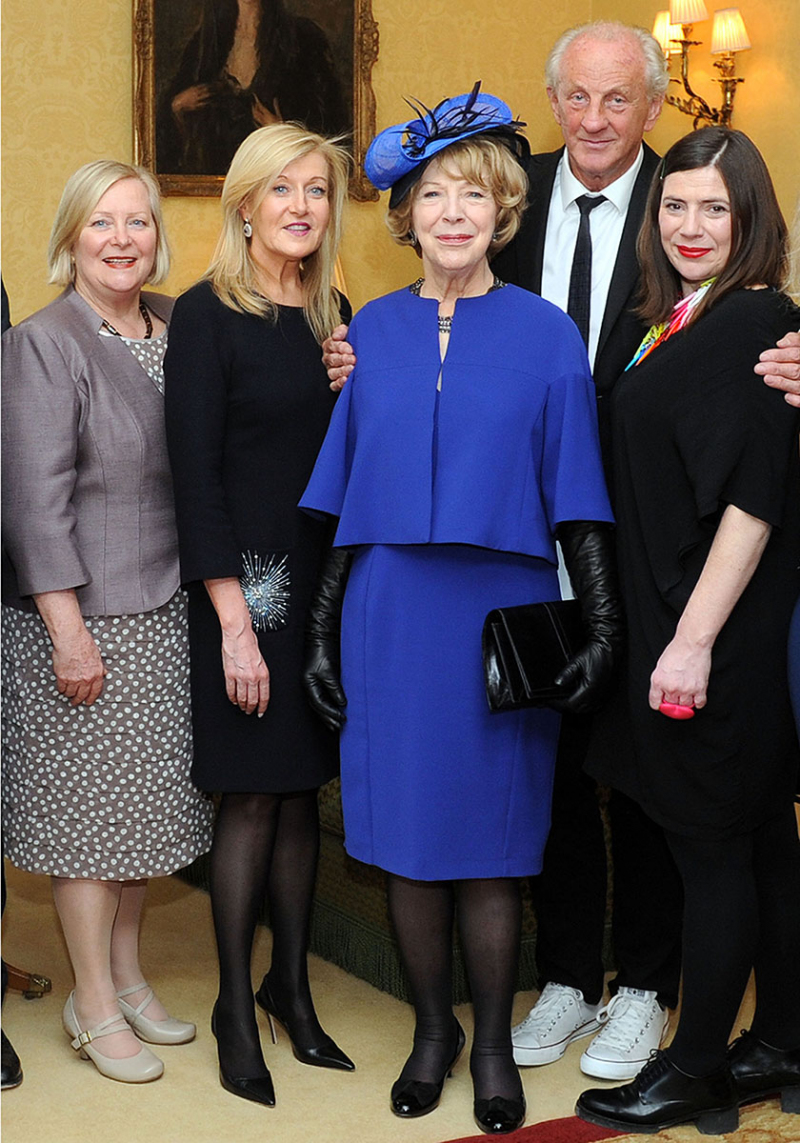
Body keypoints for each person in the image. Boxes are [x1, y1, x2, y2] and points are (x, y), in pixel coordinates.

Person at [324, 22, 685, 1082]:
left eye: (470, 198)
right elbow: (341, 498)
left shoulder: (547, 333)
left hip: (505, 614)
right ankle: (435, 1035)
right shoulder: (372, 333)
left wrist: (606, 619)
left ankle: (490, 1045)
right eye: (431, 198)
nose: (451, 213)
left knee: (496, 835)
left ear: (499, 212)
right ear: (406, 214)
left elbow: (576, 489)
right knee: (405, 838)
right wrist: (316, 631)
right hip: (391, 616)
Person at [574, 127, 800, 1136]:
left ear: (750, 219)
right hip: (683, 614)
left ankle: (696, 1063)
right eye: (674, 205)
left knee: (710, 849)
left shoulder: (756, 321)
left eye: (714, 207)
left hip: (712, 630)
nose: (690, 225)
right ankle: (780, 1039)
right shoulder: (673, 316)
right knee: (757, 845)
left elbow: (749, 502)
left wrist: (691, 640)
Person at [1, 161, 214, 1084]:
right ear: (71, 237)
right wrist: (67, 630)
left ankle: (127, 976)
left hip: (166, 612)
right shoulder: (43, 343)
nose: (122, 239)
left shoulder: (176, 324)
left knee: (143, 822)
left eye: (137, 221)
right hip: (81, 616)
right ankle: (91, 1003)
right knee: (87, 826)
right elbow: (32, 504)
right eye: (102, 224)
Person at [163, 122, 354, 1109]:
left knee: (298, 791)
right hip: (248, 588)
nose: (299, 206)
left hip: (322, 590)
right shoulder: (206, 316)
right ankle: (237, 1007)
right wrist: (234, 621)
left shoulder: (337, 318)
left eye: (316, 190)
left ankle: (290, 987)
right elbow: (193, 479)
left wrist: (362, 391)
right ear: (243, 205)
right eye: (280, 190)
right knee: (248, 794)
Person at [157, 0, 348, 176]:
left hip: (277, 181)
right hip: (219, 185)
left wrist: (283, 134)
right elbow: (173, 151)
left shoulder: (303, 38)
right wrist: (177, 107)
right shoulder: (205, 45)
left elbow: (332, 131)